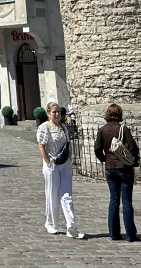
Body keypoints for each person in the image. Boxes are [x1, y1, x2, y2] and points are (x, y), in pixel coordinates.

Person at [37, 101, 84, 239]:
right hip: (52, 164)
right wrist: (48, 162)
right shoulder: (44, 127)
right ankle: (51, 223)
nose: (57, 114)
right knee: (52, 195)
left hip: (65, 164)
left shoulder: (63, 127)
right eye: (54, 112)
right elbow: (41, 146)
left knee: (67, 196)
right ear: (48, 113)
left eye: (58, 112)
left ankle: (71, 227)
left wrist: (68, 159)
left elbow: (67, 144)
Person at [94, 103, 139, 242]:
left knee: (114, 200)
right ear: (119, 114)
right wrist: (133, 160)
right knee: (126, 201)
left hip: (110, 168)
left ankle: (114, 233)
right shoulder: (123, 129)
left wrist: (104, 158)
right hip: (124, 168)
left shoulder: (102, 130)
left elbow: (97, 148)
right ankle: (130, 234)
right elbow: (133, 147)